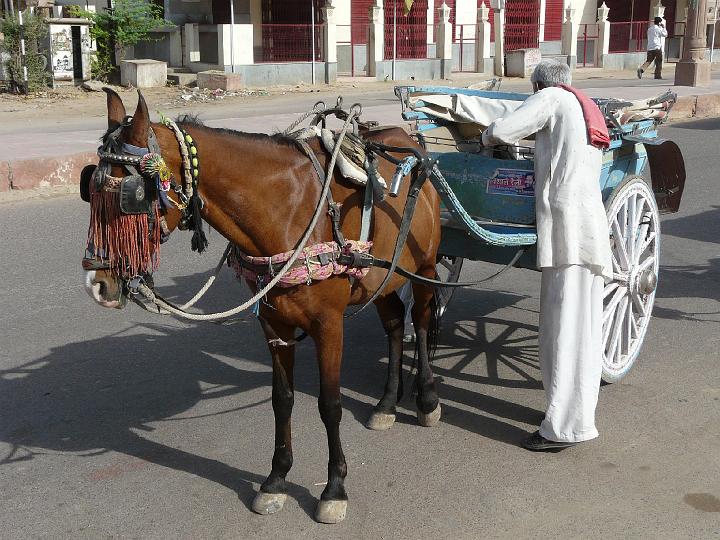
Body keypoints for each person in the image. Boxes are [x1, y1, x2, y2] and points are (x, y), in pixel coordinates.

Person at [481, 60, 612, 452]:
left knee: (562, 331)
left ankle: (563, 428)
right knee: (583, 330)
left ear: (539, 85)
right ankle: (576, 416)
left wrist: (487, 136)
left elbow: (503, 129)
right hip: (588, 228)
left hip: (568, 231)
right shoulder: (584, 105)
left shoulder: (551, 98)